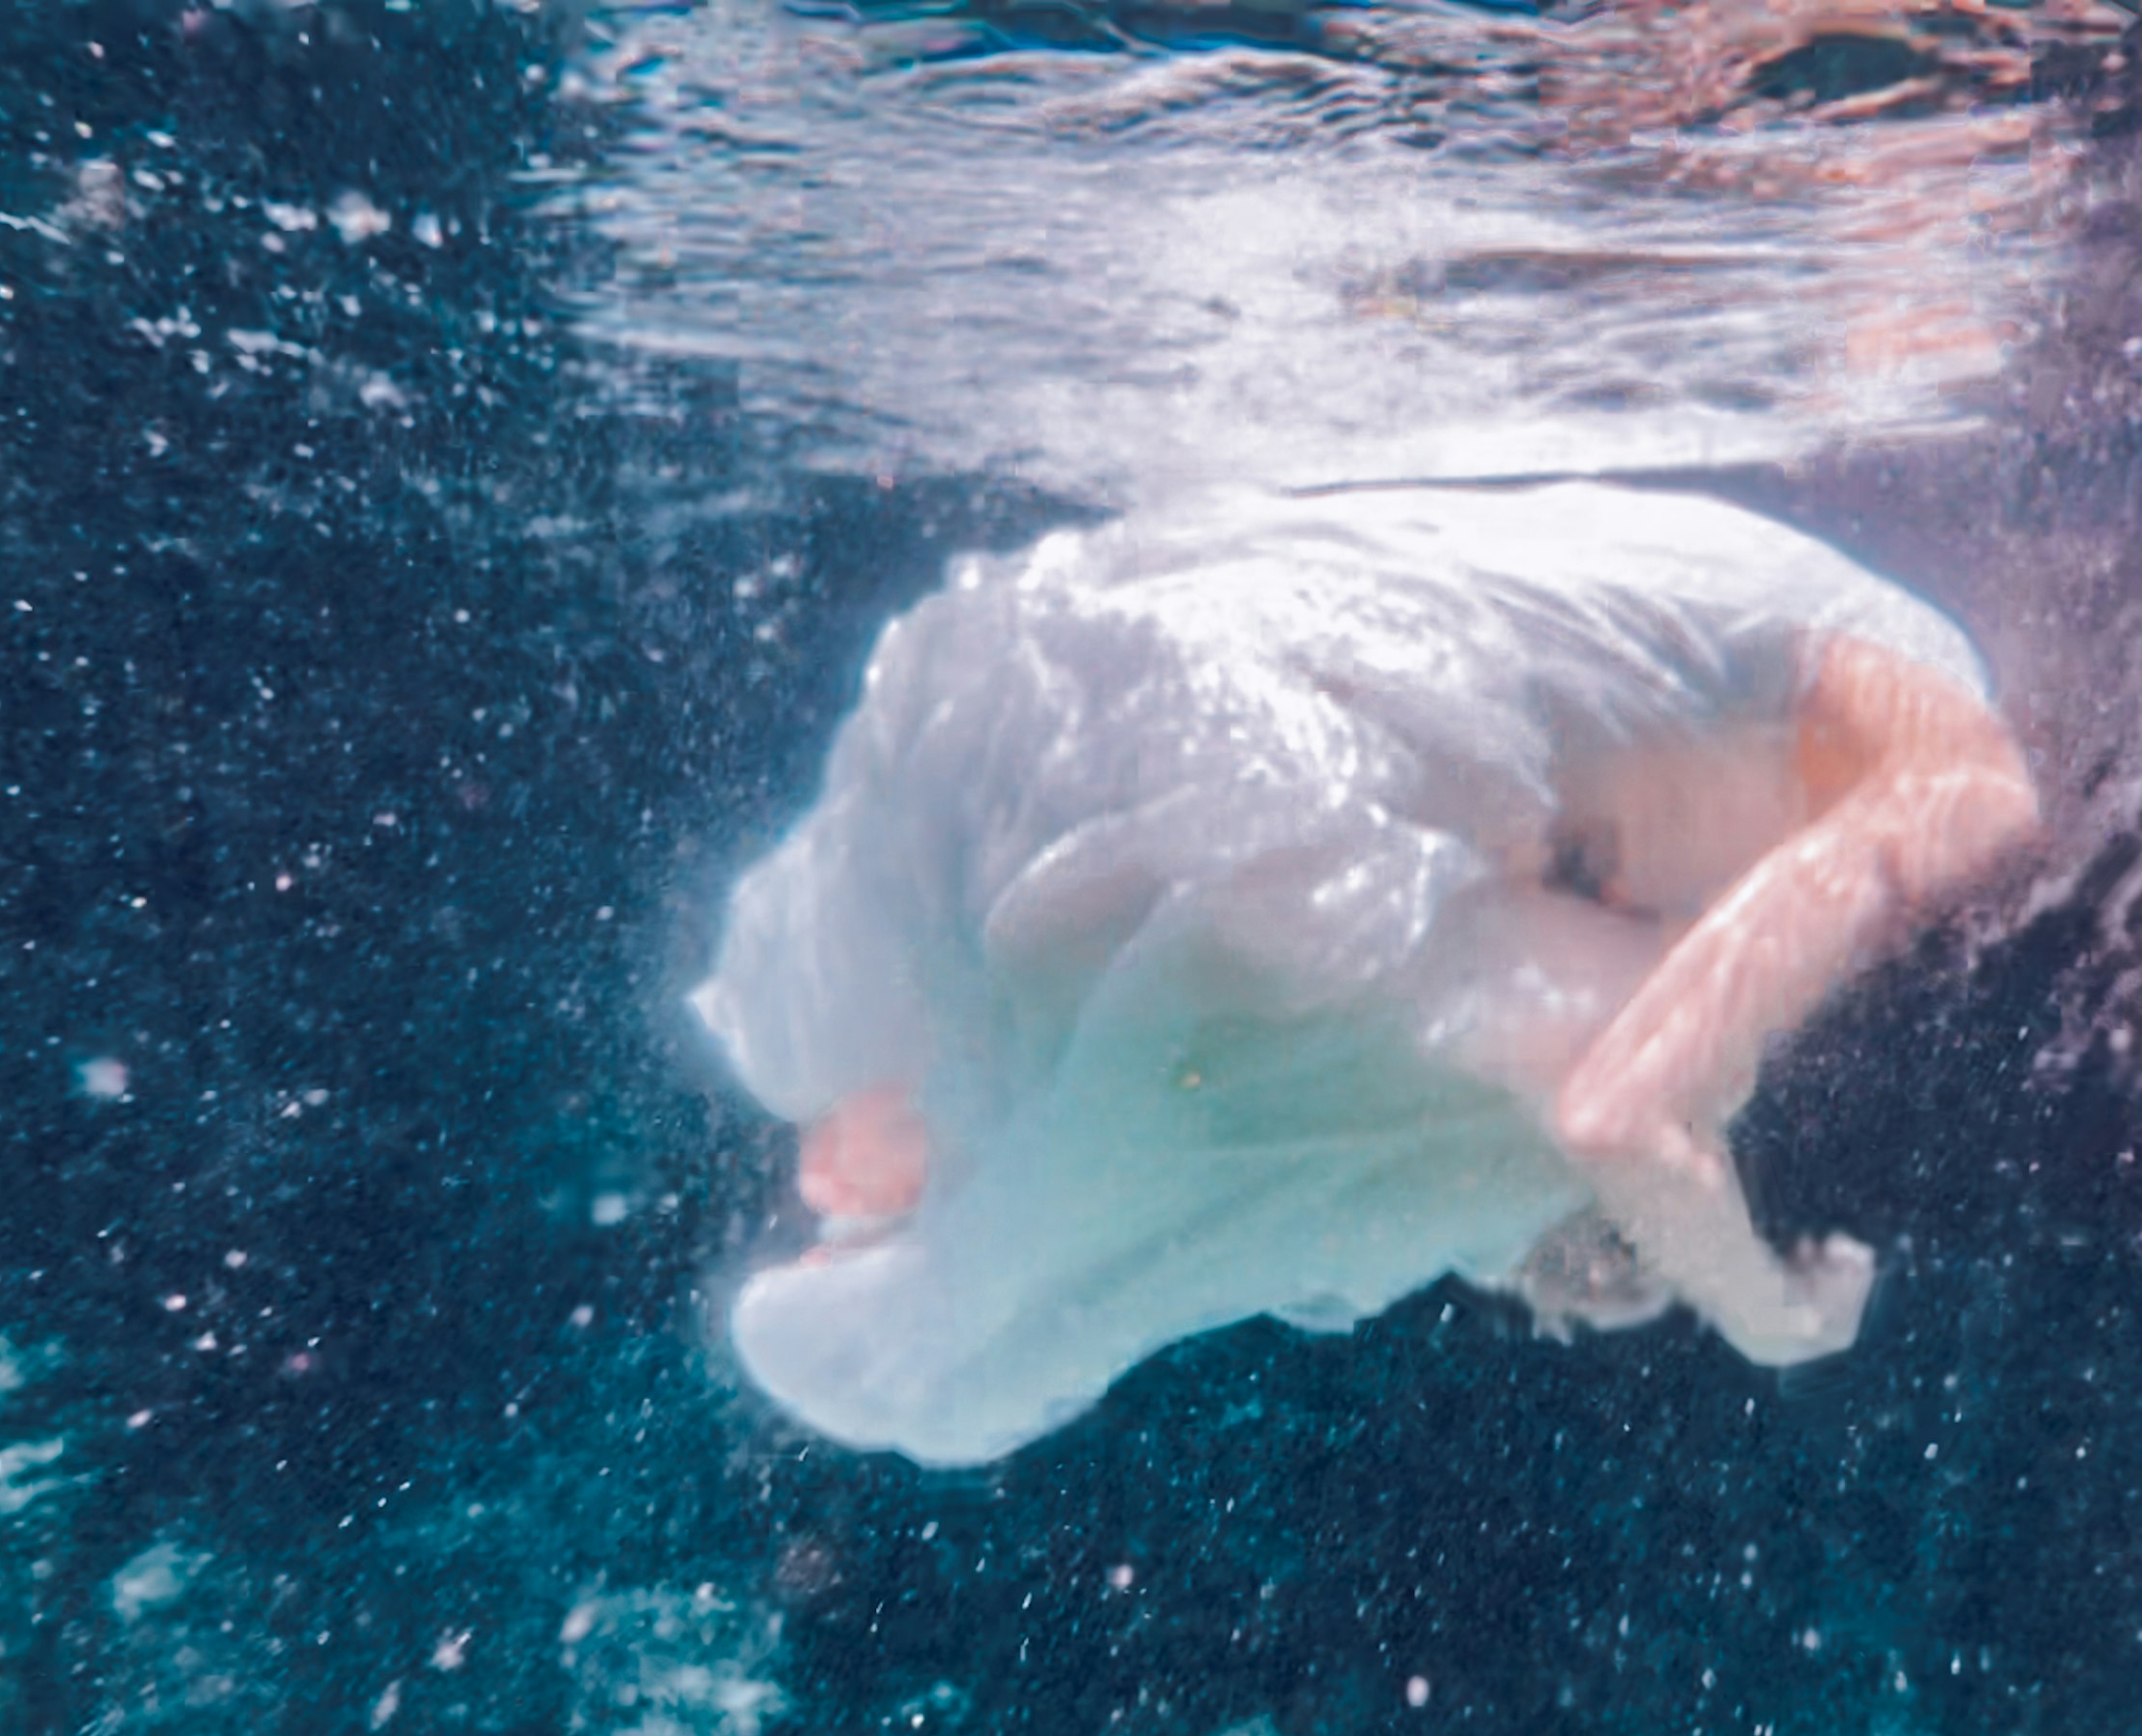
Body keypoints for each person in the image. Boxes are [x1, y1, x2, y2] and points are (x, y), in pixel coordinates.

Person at [689, 481, 2039, 1464]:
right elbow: (1614, 1106)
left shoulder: (1811, 646)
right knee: (1674, 1060)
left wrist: (1530, 1243)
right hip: (1281, 785)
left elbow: (1540, 891)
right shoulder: (1964, 792)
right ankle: (921, 1171)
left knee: (1557, 1024)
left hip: (1150, 681)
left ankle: (913, 1103)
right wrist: (1767, 1310)